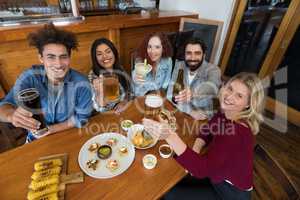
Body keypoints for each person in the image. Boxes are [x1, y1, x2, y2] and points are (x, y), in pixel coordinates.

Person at [143, 72, 265, 200]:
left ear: (248, 104)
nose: (229, 97)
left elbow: (201, 170)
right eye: (230, 88)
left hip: (229, 192)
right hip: (216, 175)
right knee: (171, 180)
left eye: (239, 96)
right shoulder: (228, 112)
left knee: (170, 194)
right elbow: (209, 128)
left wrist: (169, 135)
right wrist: (197, 147)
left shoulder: (236, 132)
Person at [0, 23, 93, 143]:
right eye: (51, 57)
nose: (58, 64)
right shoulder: (30, 77)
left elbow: (81, 119)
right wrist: (11, 116)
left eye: (63, 57)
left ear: (69, 58)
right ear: (41, 58)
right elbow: (3, 106)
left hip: (69, 135)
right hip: (35, 138)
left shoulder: (81, 82)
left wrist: (50, 130)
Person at [167, 38, 221, 120]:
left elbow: (213, 86)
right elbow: (170, 94)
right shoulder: (180, 65)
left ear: (204, 55)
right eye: (189, 53)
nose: (192, 58)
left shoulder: (213, 70)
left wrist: (194, 93)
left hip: (202, 117)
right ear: (184, 55)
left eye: (197, 53)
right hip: (182, 111)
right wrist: (190, 111)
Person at [88, 38, 132, 113]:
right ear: (95, 58)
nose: (105, 56)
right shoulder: (94, 77)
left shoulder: (119, 68)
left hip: (124, 112)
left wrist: (124, 101)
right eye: (99, 54)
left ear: (114, 53)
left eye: (108, 52)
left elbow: (129, 91)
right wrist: (99, 92)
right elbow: (100, 109)